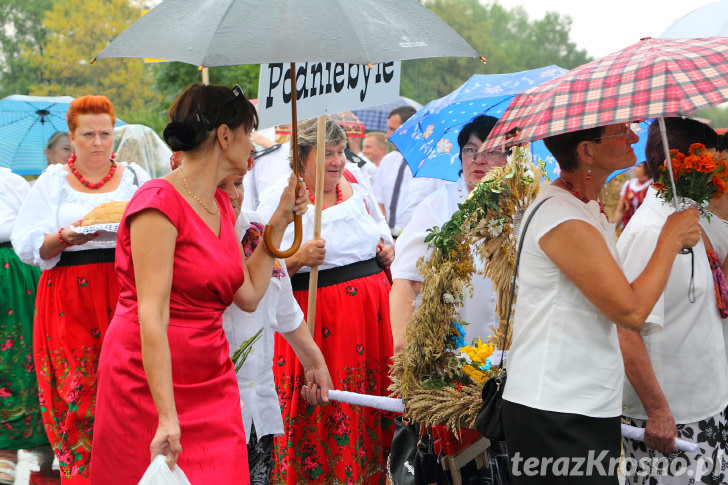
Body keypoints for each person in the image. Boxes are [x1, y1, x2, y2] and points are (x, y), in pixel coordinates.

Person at [88, 84, 308, 484]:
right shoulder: (158, 201)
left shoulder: (221, 205)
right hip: (147, 380)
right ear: (225, 136)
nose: (252, 147)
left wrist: (278, 220)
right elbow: (151, 314)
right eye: (247, 134)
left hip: (212, 376)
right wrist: (166, 415)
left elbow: (248, 293)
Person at [501, 122, 700, 484]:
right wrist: (669, 238)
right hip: (556, 409)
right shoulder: (560, 216)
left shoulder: (582, 207)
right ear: (586, 151)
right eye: (621, 130)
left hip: (580, 403)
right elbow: (630, 311)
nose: (635, 137)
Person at [11, 95, 149, 483]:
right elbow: (26, 242)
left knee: (129, 389)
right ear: (73, 137)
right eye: (88, 134)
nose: (98, 142)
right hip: (70, 296)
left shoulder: (136, 177)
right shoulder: (54, 181)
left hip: (127, 290)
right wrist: (61, 237)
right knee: (79, 393)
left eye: (105, 133)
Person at [257, 118, 395, 484]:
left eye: (340, 152)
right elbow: (259, 267)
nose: (337, 162)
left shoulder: (356, 186)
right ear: (302, 158)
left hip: (369, 317)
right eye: (327, 154)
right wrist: (299, 257)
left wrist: (386, 252)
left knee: (369, 399)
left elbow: (382, 234)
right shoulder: (284, 198)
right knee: (325, 401)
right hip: (319, 321)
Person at [618, 118, 728, 484]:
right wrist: (658, 410)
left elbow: (719, 281)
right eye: (710, 164)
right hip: (671, 421)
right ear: (679, 165)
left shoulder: (692, 215)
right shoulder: (651, 230)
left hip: (707, 405)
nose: (718, 175)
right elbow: (625, 329)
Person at [217, 173, 333, 484]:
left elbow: (282, 304)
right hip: (207, 408)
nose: (233, 196)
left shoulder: (255, 230)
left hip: (256, 405)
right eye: (220, 185)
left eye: (238, 183)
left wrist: (313, 361)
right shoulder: (181, 237)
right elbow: (246, 297)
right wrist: (281, 218)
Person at [390, 115, 504, 353]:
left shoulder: (520, 207)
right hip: (451, 352)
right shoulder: (437, 207)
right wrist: (403, 349)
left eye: (490, 151)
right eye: (470, 150)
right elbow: (406, 280)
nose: (478, 159)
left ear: (508, 157)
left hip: (511, 352)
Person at [0, 168, 53, 485]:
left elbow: (32, 228)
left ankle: (32, 454)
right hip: (17, 273)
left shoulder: (11, 181)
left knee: (23, 360)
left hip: (14, 271)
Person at [372, 106, 447, 237]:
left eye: (393, 129)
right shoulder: (387, 161)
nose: (388, 135)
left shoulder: (433, 164)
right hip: (387, 240)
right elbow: (378, 201)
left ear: (410, 129)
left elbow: (440, 207)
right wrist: (385, 235)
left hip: (418, 240)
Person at [612, 162, 652, 233]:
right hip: (628, 230)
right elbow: (620, 210)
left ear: (647, 168)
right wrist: (612, 230)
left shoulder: (653, 185)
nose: (633, 168)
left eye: (638, 166)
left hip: (646, 230)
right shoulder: (629, 184)